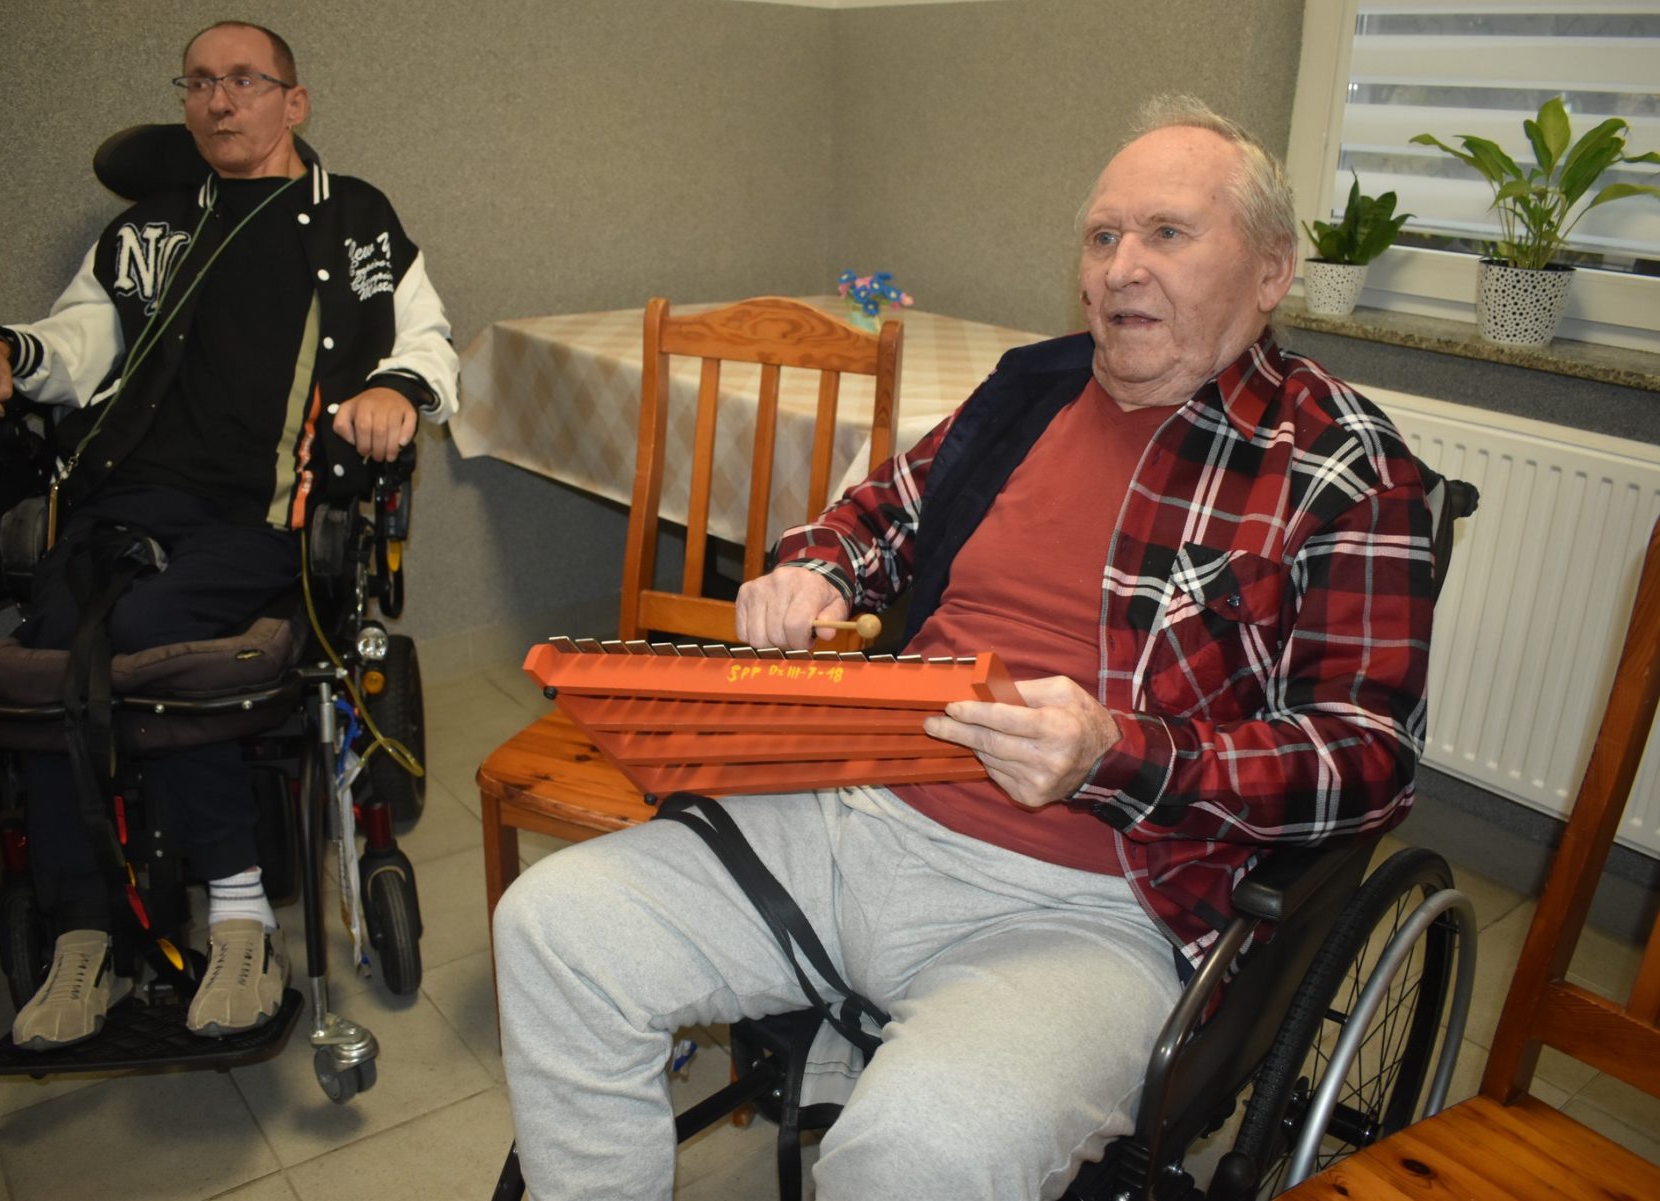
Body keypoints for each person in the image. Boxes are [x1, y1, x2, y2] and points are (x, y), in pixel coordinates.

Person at [492, 94, 1434, 1200]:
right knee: (554, 929)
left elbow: (1368, 756)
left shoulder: (1341, 465)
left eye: (1167, 232)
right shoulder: (1029, 392)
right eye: (1101, 236)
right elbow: (876, 512)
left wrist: (1119, 754)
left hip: (1093, 907)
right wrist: (816, 568)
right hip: (857, 816)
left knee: (921, 1151)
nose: (1121, 268)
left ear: (1272, 271)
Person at [0, 21, 459, 1050]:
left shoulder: (353, 216)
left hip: (261, 510)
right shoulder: (146, 231)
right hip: (121, 500)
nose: (219, 101)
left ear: (293, 102)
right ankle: (84, 932)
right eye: (200, 83)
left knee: (157, 631)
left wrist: (398, 388)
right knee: (51, 649)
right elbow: (75, 340)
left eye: (245, 81)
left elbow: (427, 337)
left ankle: (239, 917)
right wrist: (2, 347)